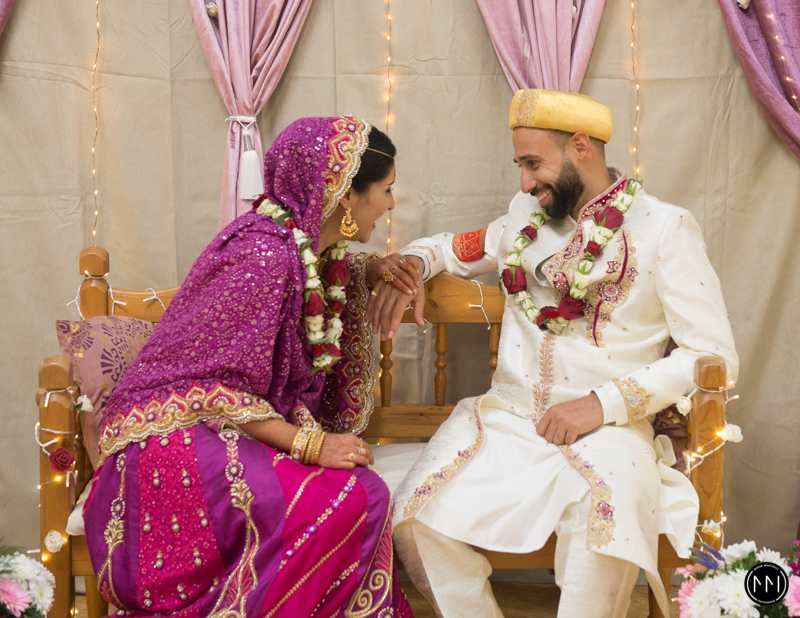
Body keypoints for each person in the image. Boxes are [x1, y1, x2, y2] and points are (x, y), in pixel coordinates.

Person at [372, 90, 738, 617]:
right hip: (507, 422)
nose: (525, 182)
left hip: (609, 430)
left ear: (581, 148)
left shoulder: (664, 228)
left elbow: (713, 356)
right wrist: (409, 269)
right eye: (520, 166)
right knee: (414, 519)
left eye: (533, 164)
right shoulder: (524, 218)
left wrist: (601, 404)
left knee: (604, 531)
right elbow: (451, 248)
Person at [83, 116, 418, 617]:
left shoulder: (297, 248)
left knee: (363, 491)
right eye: (387, 190)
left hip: (221, 429)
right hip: (170, 437)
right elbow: (209, 385)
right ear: (347, 195)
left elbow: (315, 276)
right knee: (353, 496)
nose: (391, 204)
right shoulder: (260, 255)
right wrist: (310, 444)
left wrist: (367, 269)